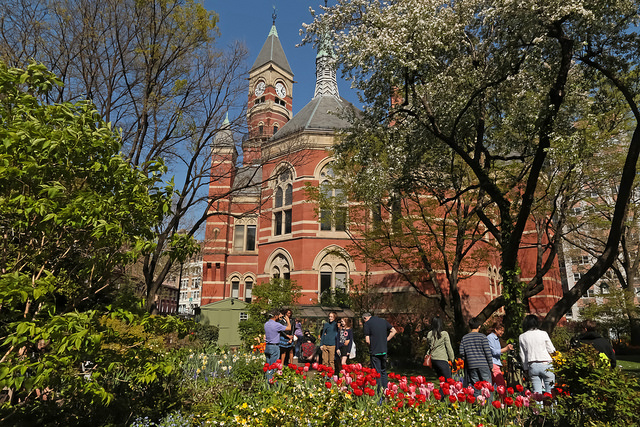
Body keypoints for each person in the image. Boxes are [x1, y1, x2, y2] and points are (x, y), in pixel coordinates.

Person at [519, 314, 556, 394]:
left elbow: (523, 355)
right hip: (546, 364)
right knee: (550, 391)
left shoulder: (522, 336)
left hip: (533, 365)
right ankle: (552, 406)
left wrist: (525, 369)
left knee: (537, 393)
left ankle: (539, 406)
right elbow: (551, 349)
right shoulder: (543, 333)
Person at [363, 312, 397, 390]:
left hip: (375, 351)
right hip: (383, 350)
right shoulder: (383, 321)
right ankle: (386, 390)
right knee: (383, 371)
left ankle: (379, 392)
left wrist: (370, 346)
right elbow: (394, 331)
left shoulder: (367, 324)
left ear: (365, 318)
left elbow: (367, 341)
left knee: (377, 373)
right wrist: (386, 340)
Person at [459, 317, 493, 391]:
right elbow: (488, 352)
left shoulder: (465, 338)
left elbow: (462, 353)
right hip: (483, 365)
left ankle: (477, 402)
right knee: (487, 387)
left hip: (471, 365)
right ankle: (488, 402)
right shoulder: (483, 337)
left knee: (476, 387)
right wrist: (491, 365)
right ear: (479, 326)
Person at [486, 322, 513, 387]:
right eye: (501, 330)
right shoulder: (490, 337)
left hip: (495, 363)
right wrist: (505, 349)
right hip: (493, 363)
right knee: (501, 384)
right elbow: (493, 351)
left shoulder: (496, 338)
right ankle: (503, 397)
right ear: (495, 329)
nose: (502, 332)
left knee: (490, 385)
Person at [264, 309, 287, 381]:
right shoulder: (276, 325)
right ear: (275, 316)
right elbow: (288, 328)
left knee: (268, 366)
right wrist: (288, 320)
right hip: (274, 346)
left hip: (267, 346)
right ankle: (271, 382)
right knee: (273, 366)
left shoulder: (266, 324)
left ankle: (267, 380)